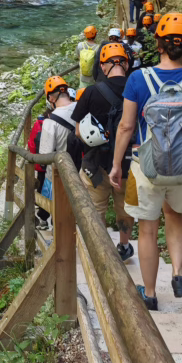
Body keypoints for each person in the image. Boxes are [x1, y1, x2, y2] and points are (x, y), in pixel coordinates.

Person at [109, 13, 182, 312]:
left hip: (145, 167)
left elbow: (125, 126)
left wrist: (115, 165)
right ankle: (177, 274)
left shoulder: (138, 79)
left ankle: (149, 293)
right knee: (176, 216)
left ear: (159, 44)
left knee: (148, 228)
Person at [73, 43, 135, 261]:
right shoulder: (137, 89)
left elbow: (78, 130)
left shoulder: (91, 92)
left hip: (96, 163)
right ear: (126, 63)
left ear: (102, 65)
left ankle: (99, 250)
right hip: (128, 165)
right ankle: (124, 246)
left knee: (95, 207)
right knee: (124, 208)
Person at [38, 76, 78, 160]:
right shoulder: (82, 107)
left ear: (51, 98)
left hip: (62, 170)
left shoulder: (50, 122)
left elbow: (44, 155)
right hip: (85, 167)